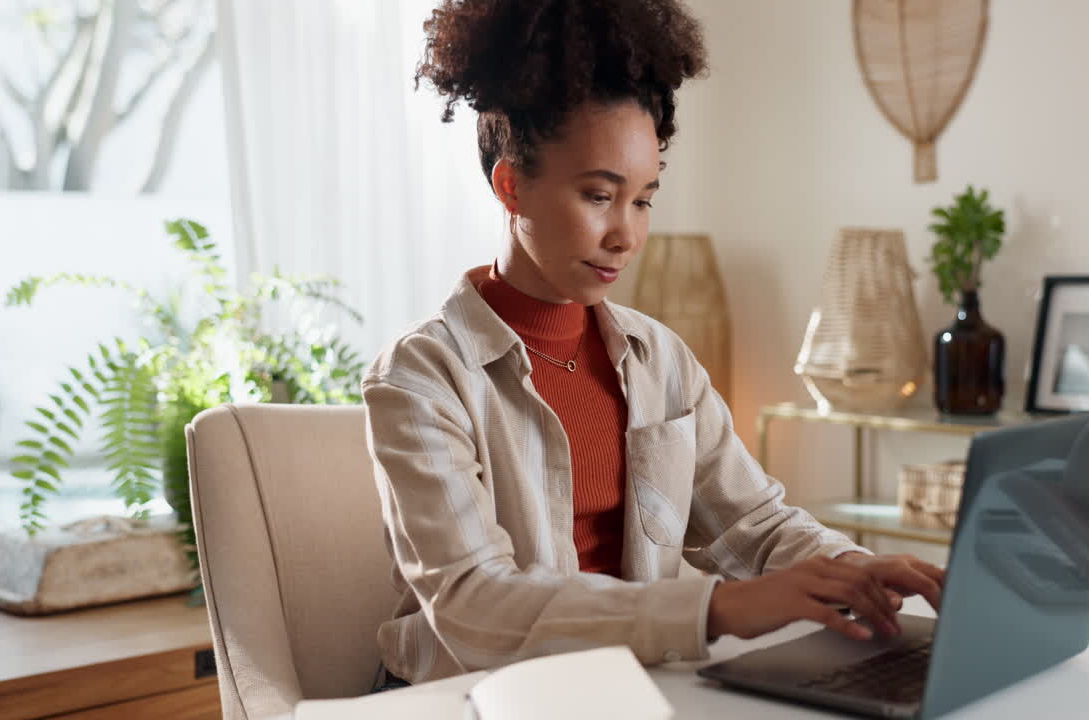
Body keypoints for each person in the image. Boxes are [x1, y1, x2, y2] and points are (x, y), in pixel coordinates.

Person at [363, 0, 945, 688]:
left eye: (643, 199)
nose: (627, 236)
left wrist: (854, 568)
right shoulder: (422, 376)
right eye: (598, 196)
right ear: (511, 186)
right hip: (466, 696)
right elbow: (474, 605)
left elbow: (753, 524)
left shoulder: (660, 359)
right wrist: (717, 609)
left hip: (630, 685)